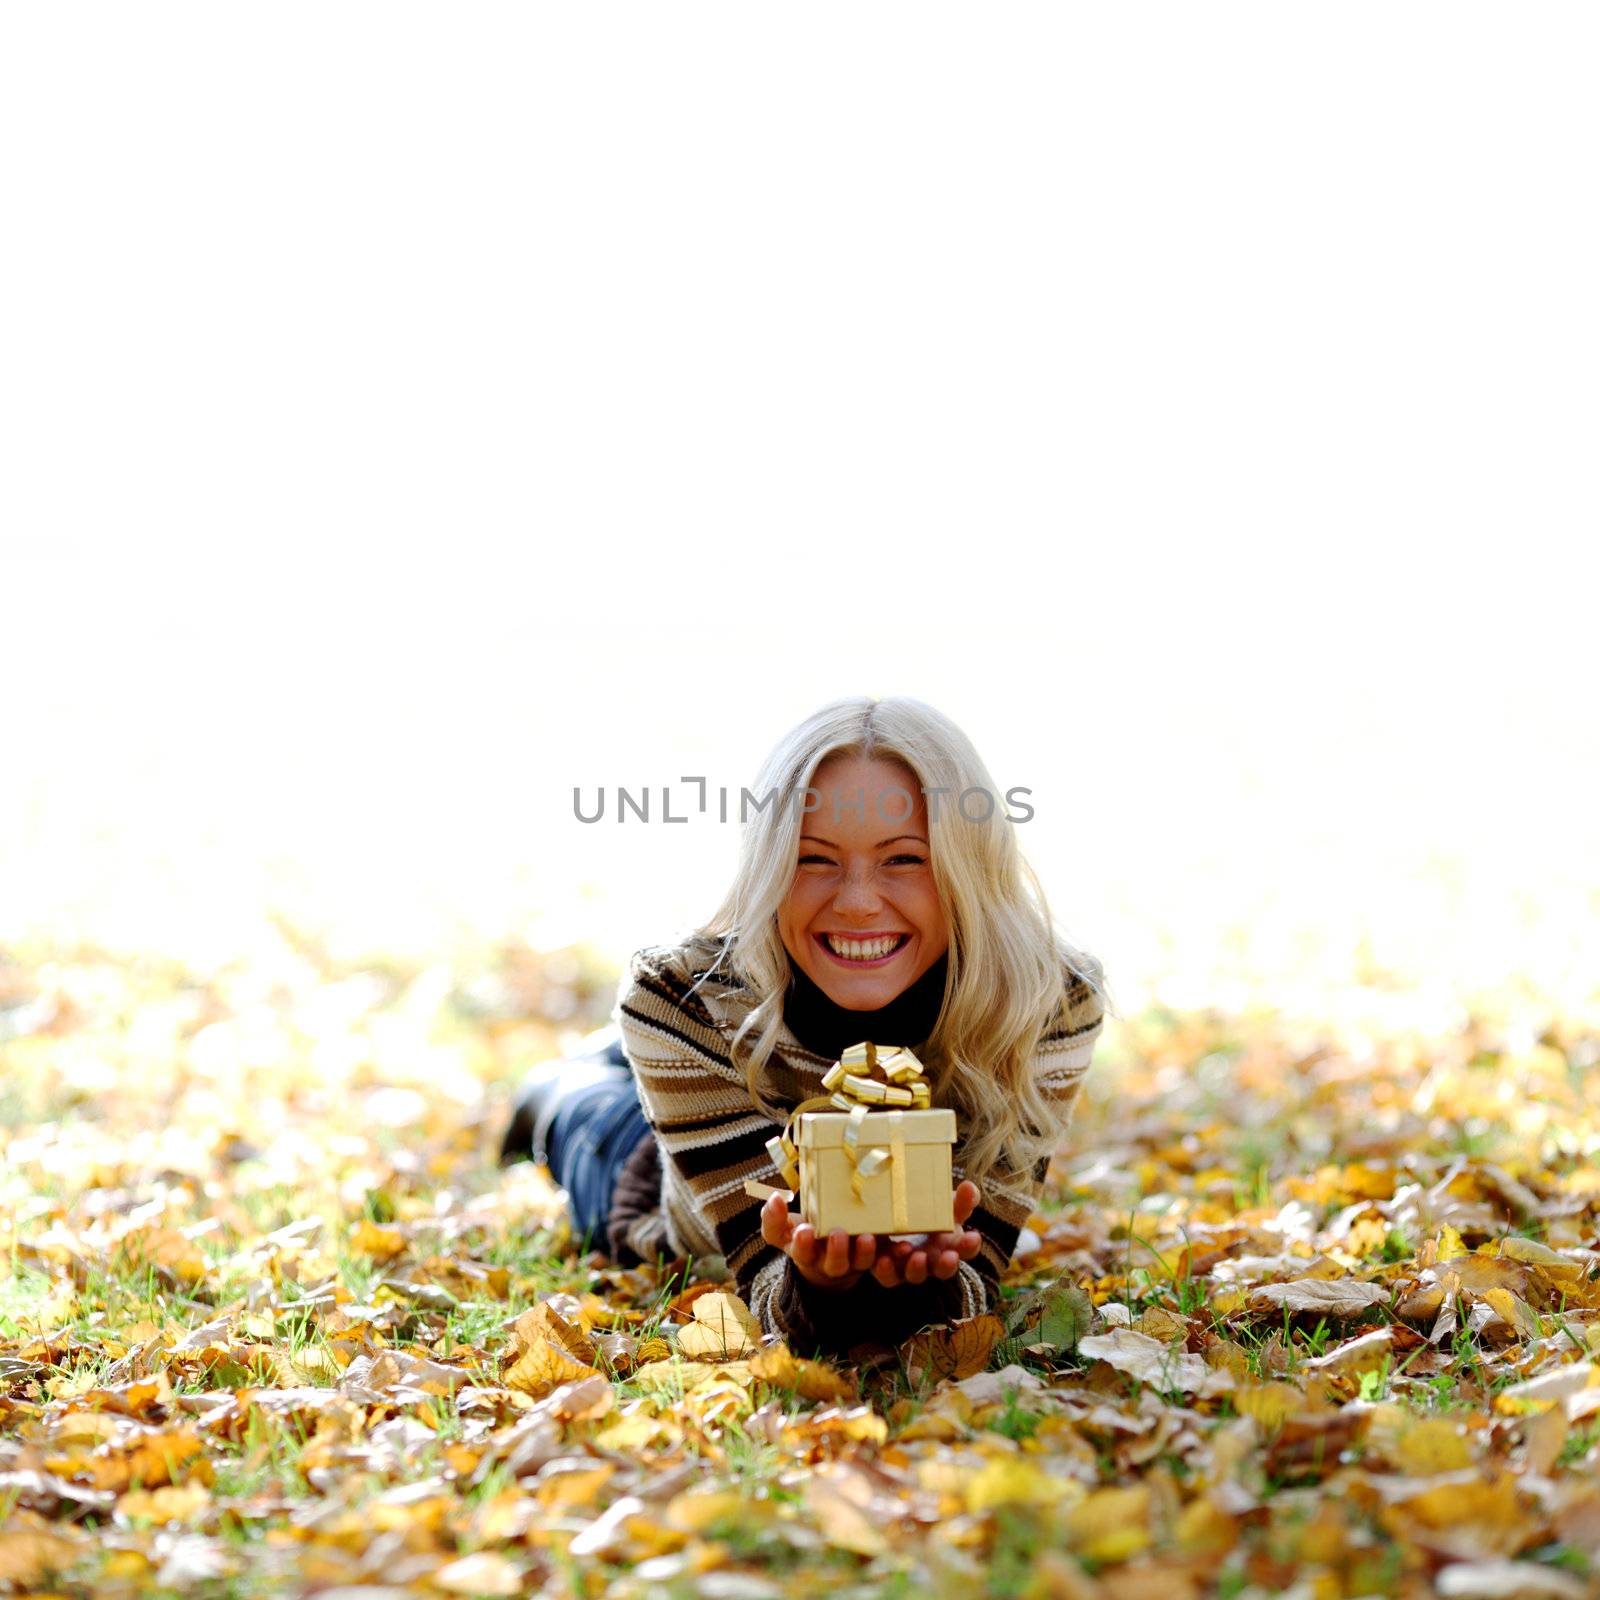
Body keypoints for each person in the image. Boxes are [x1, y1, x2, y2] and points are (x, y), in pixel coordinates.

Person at [500, 695, 1113, 1357]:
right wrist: (814, 1286)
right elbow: (765, 1288)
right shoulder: (679, 996)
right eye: (814, 859)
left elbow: (976, 1273)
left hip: (731, 1052)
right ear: (770, 864)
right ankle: (565, 1081)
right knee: (571, 1104)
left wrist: (914, 1287)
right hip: (652, 1163)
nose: (855, 903)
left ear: (968, 864)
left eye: (904, 859)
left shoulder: (1050, 1001)